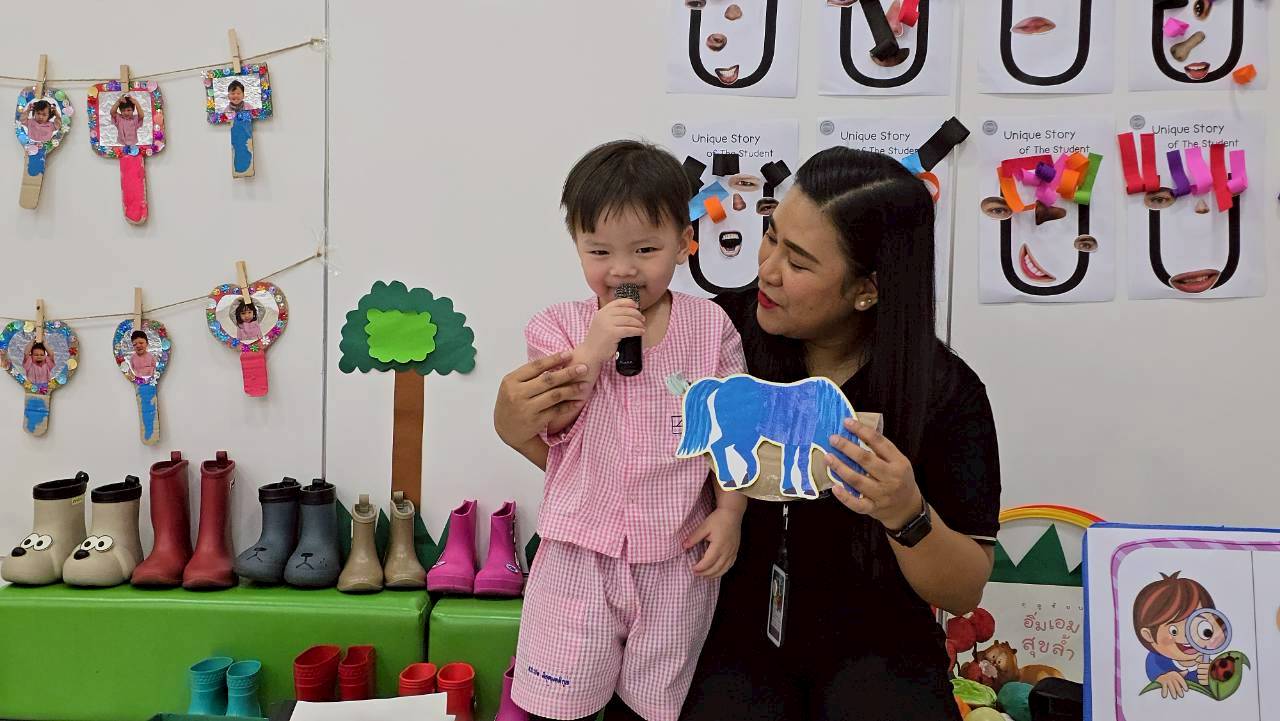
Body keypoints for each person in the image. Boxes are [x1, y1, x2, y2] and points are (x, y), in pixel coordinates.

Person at [494, 147, 1002, 721]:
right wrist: (512, 422)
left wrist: (906, 512)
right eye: (772, 237)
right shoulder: (717, 329)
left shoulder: (942, 392)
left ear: (868, 287)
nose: (768, 269)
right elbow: (625, 459)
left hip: (876, 641)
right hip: (729, 627)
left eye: (799, 263)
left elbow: (962, 590)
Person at [509, 140, 748, 721]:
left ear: (683, 244)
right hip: (578, 555)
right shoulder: (556, 327)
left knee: (652, 703)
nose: (622, 270)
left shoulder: (709, 325)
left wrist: (730, 512)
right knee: (560, 699)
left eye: (645, 249)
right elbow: (552, 424)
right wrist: (591, 350)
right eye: (599, 251)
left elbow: (732, 430)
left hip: (675, 555)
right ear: (577, 245)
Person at [1133, 572, 1224, 698]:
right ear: (1148, 635)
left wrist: (1213, 679)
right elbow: (1153, 679)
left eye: (1201, 627)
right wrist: (1163, 679)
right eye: (1174, 631)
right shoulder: (1156, 661)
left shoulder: (1210, 664)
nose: (1189, 636)